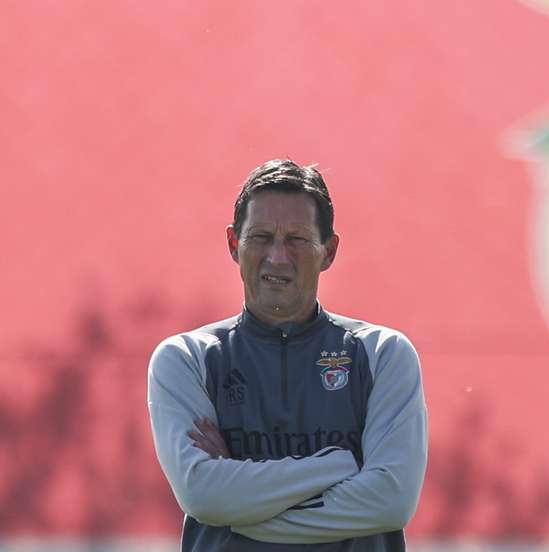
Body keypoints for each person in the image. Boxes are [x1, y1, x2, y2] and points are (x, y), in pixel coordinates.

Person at [147, 159, 427, 551]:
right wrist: (341, 465)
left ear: (328, 251)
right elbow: (204, 497)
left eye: (296, 239)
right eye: (261, 237)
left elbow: (390, 502)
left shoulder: (382, 356)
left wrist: (242, 507)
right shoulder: (187, 360)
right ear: (233, 244)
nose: (277, 257)